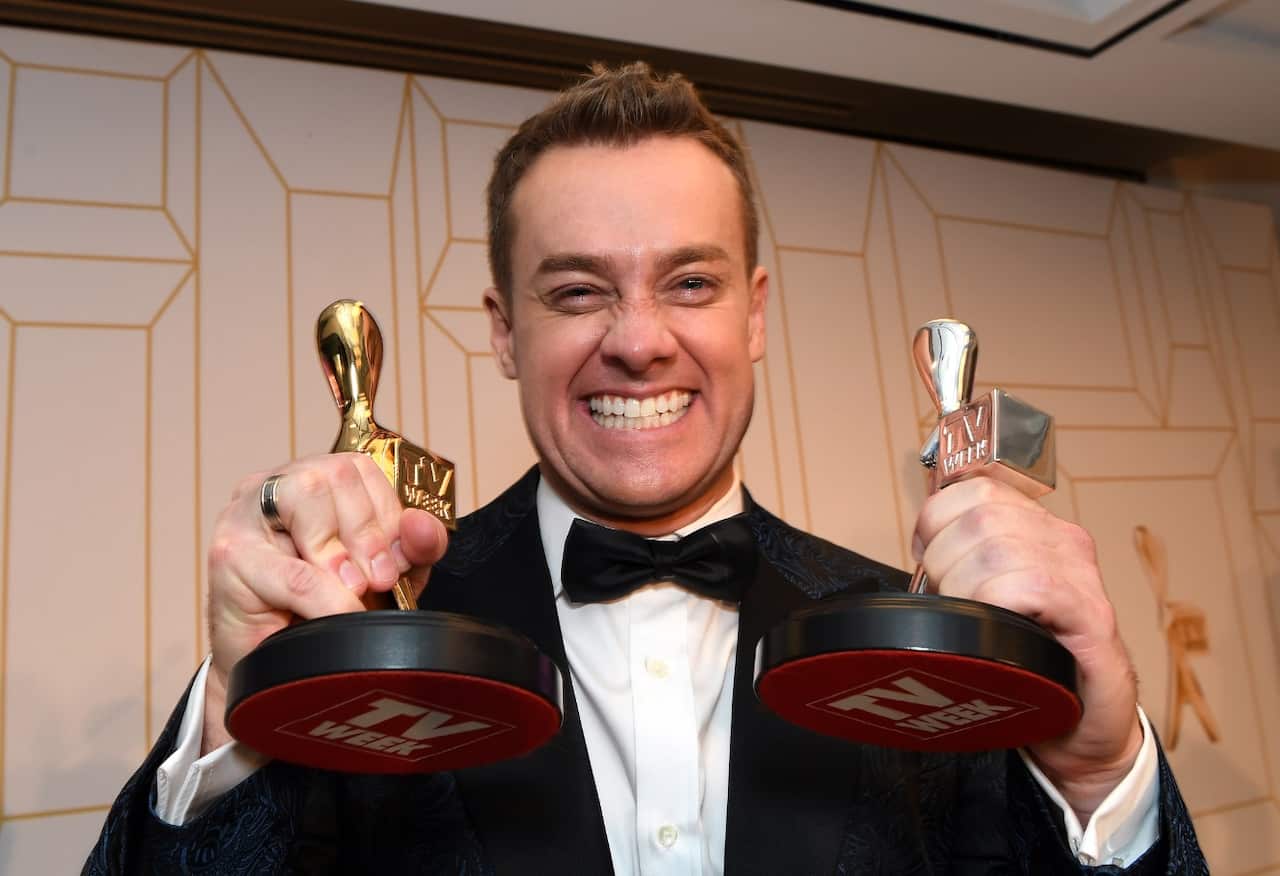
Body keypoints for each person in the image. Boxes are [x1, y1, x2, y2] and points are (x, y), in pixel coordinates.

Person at [86, 62, 1205, 874]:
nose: (636, 339)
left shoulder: (916, 631)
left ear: (754, 313)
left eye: (688, 284)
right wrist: (238, 711)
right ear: (502, 331)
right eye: (576, 291)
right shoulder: (356, 634)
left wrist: (1103, 775)